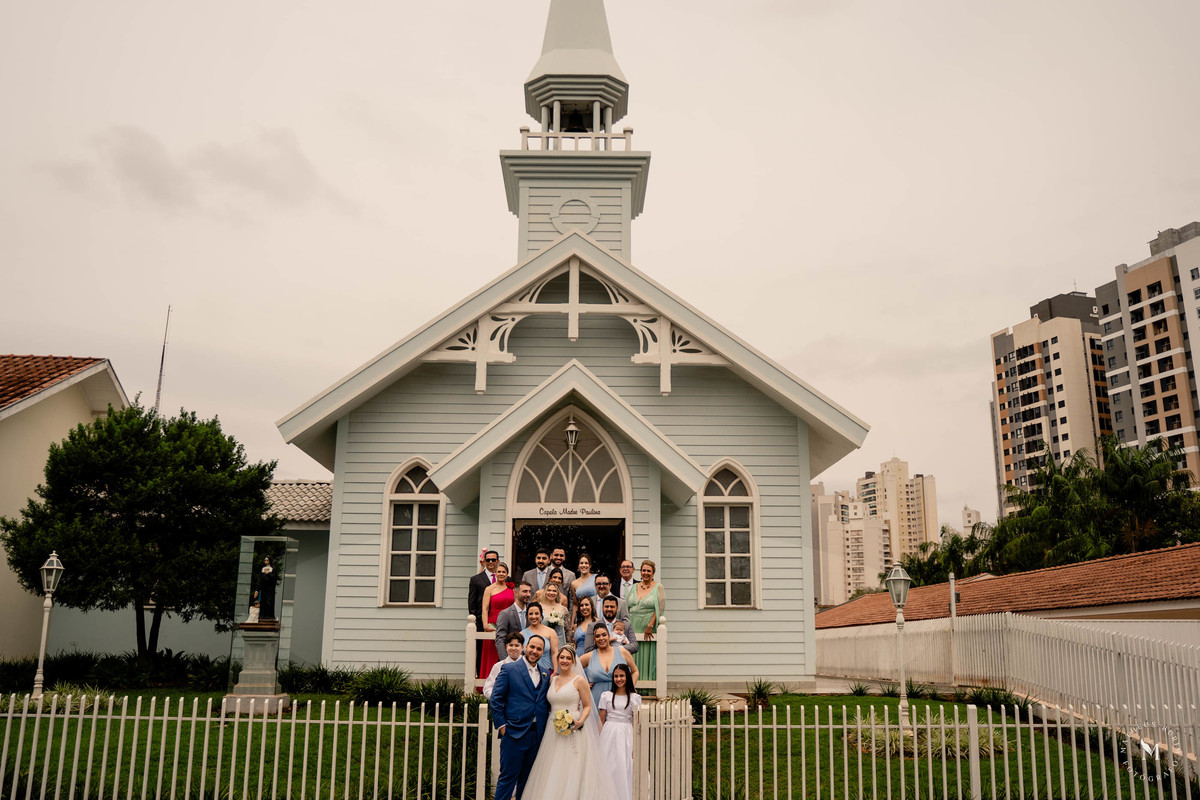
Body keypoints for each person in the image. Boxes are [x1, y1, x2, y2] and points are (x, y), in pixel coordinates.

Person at [521, 645, 619, 800]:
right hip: (552, 729)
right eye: (562, 657)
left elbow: (587, 706)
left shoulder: (579, 681)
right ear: (557, 659)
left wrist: (579, 721)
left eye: (568, 658)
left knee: (572, 765)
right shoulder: (552, 679)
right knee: (552, 765)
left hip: (574, 726)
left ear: (573, 661)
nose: (564, 661)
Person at [490, 634, 551, 800]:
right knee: (508, 777)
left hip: (536, 735)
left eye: (539, 649)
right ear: (525, 647)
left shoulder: (545, 674)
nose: (534, 651)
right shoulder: (509, 669)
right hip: (514, 733)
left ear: (542, 652)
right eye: (532, 647)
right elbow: (496, 699)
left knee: (529, 780)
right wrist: (502, 726)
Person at [598, 663, 642, 800]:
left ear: (627, 677)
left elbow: (637, 722)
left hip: (626, 733)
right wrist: (597, 739)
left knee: (623, 765)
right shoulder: (606, 695)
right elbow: (601, 720)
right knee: (608, 764)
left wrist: (636, 742)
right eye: (616, 676)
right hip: (609, 732)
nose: (619, 679)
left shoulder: (634, 697)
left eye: (622, 676)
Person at [580, 622, 637, 709]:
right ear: (594, 639)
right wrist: (583, 686)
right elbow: (572, 669)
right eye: (597, 636)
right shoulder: (589, 656)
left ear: (609, 636)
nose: (601, 638)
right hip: (596, 699)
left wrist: (629, 688)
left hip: (619, 696)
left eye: (604, 635)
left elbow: (635, 671)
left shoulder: (622, 652)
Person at [627, 559, 665, 683]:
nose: (646, 573)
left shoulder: (658, 587)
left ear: (653, 573)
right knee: (633, 654)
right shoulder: (634, 586)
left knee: (647, 655)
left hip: (648, 625)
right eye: (644, 570)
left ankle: (647, 685)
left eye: (649, 571)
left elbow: (660, 608)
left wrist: (651, 624)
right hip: (633, 623)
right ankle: (634, 685)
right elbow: (628, 606)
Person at [478, 562, 514, 682]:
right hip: (493, 623)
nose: (501, 574)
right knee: (492, 653)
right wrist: (485, 624)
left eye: (504, 572)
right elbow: (485, 609)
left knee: (507, 651)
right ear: (495, 573)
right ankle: (488, 682)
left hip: (509, 623)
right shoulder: (489, 589)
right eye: (499, 571)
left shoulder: (511, 589)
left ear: (507, 573)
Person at [494, 581, 532, 659]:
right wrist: (506, 661)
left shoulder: (533, 613)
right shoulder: (505, 613)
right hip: (511, 657)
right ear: (515, 592)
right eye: (525, 591)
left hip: (530, 658)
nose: (528, 594)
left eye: (529, 591)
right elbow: (500, 639)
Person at [484, 632, 525, 699]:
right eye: (511, 645)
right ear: (506, 647)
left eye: (517, 645)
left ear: (522, 647)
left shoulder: (527, 665)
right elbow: (488, 687)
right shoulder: (498, 666)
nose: (513, 648)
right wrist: (497, 698)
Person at [521, 602, 559, 671]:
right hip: (527, 671)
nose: (534, 616)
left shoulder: (551, 632)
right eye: (530, 614)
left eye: (536, 613)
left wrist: (555, 671)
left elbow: (554, 653)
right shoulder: (521, 634)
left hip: (547, 670)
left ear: (541, 615)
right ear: (527, 616)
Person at [469, 549, 499, 632]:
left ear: (498, 561)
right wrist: (475, 620)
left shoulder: (506, 579)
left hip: (500, 619)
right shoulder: (476, 579)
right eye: (488, 560)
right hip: (481, 621)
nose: (490, 562)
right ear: (484, 561)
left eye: (493, 560)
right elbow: (472, 602)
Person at [537, 581, 570, 647]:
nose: (551, 593)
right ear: (545, 592)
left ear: (557, 593)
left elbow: (567, 630)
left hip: (559, 643)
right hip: (543, 643)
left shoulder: (563, 609)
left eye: (554, 591)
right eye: (549, 590)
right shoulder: (538, 608)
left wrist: (568, 644)